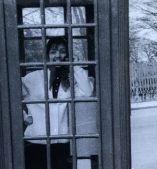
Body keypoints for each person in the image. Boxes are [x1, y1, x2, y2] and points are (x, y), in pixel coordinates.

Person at [22, 37, 94, 169]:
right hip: (36, 144)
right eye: (53, 51)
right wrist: (25, 116)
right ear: (47, 55)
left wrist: (75, 66)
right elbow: (12, 97)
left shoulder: (71, 80)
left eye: (62, 51)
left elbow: (88, 92)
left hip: (63, 144)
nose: (58, 55)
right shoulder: (33, 78)